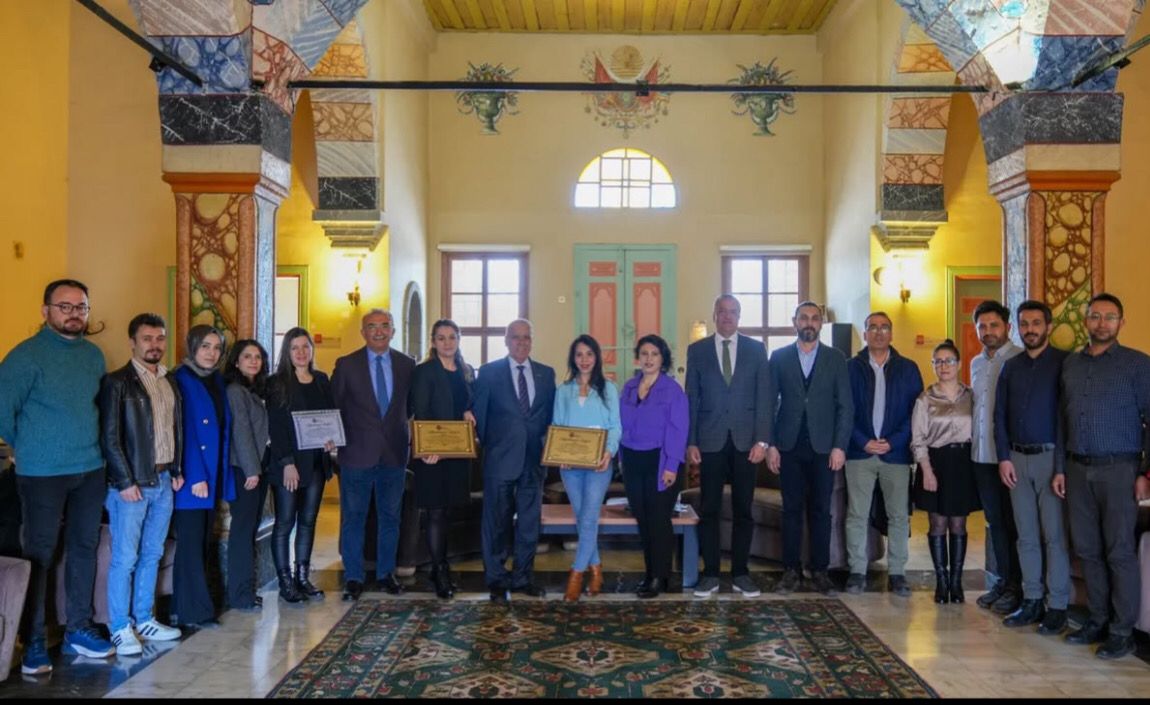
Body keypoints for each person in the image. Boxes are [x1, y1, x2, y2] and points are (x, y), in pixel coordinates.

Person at [0, 279, 115, 674]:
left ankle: (77, 629)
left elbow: (96, 408)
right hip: (42, 473)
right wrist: (29, 446)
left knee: (84, 547)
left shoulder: (93, 356)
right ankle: (32, 641)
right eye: (64, 307)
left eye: (81, 307)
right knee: (40, 554)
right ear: (45, 310)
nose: (73, 314)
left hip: (90, 468)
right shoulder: (25, 357)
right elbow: (3, 411)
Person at [1056, 293, 1150, 660]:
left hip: (1120, 470)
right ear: (1086, 321)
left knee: (1119, 550)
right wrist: (1061, 469)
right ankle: (1096, 620)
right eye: (1095, 316)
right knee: (1087, 549)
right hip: (1077, 469)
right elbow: (1062, 420)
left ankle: (1122, 631)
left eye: (1110, 317)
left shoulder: (1138, 365)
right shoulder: (1071, 365)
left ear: (1121, 323)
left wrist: (1145, 472)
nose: (1102, 323)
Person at [99, 313, 185, 655]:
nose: (154, 344)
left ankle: (145, 618)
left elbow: (174, 429)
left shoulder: (169, 380)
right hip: (131, 484)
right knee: (125, 557)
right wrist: (124, 480)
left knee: (153, 553)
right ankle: (120, 626)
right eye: (147, 338)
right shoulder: (117, 382)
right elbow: (109, 436)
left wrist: (176, 469)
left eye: (160, 338)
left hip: (163, 480)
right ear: (132, 342)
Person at [686, 295, 772, 599]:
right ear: (714, 315)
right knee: (708, 508)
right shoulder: (697, 350)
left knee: (743, 510)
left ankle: (740, 574)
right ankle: (710, 574)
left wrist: (763, 440)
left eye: (733, 312)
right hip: (709, 441)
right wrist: (691, 440)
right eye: (722, 312)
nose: (727, 317)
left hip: (747, 443)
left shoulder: (755, 349)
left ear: (739, 316)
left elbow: (765, 397)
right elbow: (691, 397)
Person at [993, 301, 1070, 634]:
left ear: (1048, 326)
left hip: (1051, 460)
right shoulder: (1011, 367)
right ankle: (1032, 600)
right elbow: (999, 415)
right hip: (1016, 461)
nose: (1030, 330)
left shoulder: (1064, 364)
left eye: (1036, 323)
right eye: (1024, 324)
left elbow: (1066, 419)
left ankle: (1058, 606)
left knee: (1054, 537)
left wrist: (1061, 466)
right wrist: (1003, 458)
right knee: (1025, 536)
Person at [766, 301, 853, 595]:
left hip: (824, 448)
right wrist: (771, 444)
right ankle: (790, 571)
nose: (809, 323)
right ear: (795, 322)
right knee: (790, 510)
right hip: (788, 446)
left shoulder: (836, 358)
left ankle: (820, 571)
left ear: (820, 324)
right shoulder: (779, 357)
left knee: (821, 511)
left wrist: (840, 446)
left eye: (815, 318)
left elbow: (845, 406)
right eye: (804, 318)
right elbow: (769, 404)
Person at [332, 309, 415, 601]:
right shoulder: (346, 365)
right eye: (372, 326)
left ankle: (385, 574)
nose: (379, 331)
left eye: (384, 326)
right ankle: (354, 577)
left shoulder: (407, 364)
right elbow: (335, 406)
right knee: (354, 518)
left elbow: (411, 406)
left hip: (394, 455)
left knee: (390, 518)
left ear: (393, 331)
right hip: (356, 454)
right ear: (363, 332)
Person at [472, 319, 556, 603]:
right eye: (516, 337)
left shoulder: (546, 374)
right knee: (496, 522)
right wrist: (494, 447)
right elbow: (481, 417)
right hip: (499, 460)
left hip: (533, 461)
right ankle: (496, 579)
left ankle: (522, 578)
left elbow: (550, 417)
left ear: (532, 340)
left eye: (526, 337)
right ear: (506, 341)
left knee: (529, 524)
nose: (521, 342)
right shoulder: (489, 373)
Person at [844, 312, 923, 597]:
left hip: (896, 454)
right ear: (865, 333)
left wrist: (893, 441)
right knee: (857, 514)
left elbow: (916, 413)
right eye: (872, 328)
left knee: (898, 516)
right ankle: (857, 571)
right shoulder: (850, 368)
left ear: (891, 333)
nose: (878, 332)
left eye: (884, 327)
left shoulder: (908, 369)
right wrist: (863, 441)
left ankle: (897, 573)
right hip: (859, 453)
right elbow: (844, 411)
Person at [171, 324, 234, 632]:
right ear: (193, 347)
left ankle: (185, 607)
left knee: (200, 541)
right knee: (191, 544)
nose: (211, 353)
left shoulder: (215, 380)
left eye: (217, 347)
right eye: (205, 346)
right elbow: (183, 430)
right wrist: (195, 474)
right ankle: (193, 612)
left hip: (212, 474)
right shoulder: (181, 379)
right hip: (192, 479)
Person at [268, 328, 337, 603]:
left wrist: (332, 440)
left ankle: (302, 577)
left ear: (312, 349)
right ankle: (285, 582)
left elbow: (329, 416)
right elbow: (276, 427)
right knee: (285, 522)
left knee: (308, 521)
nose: (301, 352)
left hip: (316, 463)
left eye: (305, 347)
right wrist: (287, 463)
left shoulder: (321, 380)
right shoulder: (277, 383)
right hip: (289, 464)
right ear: (287, 351)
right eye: (295, 347)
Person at [408, 320, 476, 600]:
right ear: (433, 342)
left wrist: (470, 413)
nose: (447, 343)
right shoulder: (424, 372)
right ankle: (440, 570)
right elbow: (421, 411)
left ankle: (440, 566)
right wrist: (428, 447)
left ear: (458, 339)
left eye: (452, 337)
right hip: (432, 455)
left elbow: (470, 404)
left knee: (447, 512)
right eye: (441, 338)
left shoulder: (466, 371)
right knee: (435, 512)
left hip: (457, 453)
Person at [552, 335, 621, 602]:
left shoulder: (609, 389)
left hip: (599, 463)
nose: (584, 359)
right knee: (583, 518)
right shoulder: (563, 390)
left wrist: (609, 451)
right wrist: (559, 453)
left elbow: (615, 426)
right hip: (570, 466)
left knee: (589, 518)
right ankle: (596, 568)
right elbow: (557, 425)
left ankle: (576, 574)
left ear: (597, 358)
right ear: (573, 358)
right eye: (579, 354)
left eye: (589, 354)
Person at [911, 339, 980, 604]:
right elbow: (918, 438)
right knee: (937, 522)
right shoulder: (925, 398)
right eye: (938, 361)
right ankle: (941, 582)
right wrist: (926, 470)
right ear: (933, 366)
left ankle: (956, 582)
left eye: (949, 360)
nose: (944, 366)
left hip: (963, 463)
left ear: (959, 364)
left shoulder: (971, 396)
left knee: (958, 523)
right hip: (935, 463)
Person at [620, 334, 688, 599]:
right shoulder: (628, 387)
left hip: (661, 461)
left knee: (658, 520)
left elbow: (678, 430)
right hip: (632, 460)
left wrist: (671, 466)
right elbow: (621, 425)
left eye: (654, 354)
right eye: (644, 354)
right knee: (643, 520)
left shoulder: (672, 390)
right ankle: (651, 574)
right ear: (638, 358)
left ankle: (661, 576)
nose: (649, 359)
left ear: (663, 359)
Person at [969, 300, 1023, 615]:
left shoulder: (1019, 359)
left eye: (994, 325)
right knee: (995, 523)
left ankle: (1018, 587)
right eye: (982, 326)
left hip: (1009, 458)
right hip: (981, 456)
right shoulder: (976, 363)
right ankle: (1003, 581)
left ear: (1008, 328)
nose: (988, 331)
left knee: (1015, 523)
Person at [223, 339, 271, 611]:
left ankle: (246, 591)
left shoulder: (253, 390)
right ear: (236, 361)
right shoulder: (235, 391)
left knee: (249, 528)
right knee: (242, 531)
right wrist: (252, 470)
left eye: (258, 357)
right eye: (247, 356)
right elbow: (240, 432)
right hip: (244, 470)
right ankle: (240, 596)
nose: (253, 361)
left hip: (257, 468)